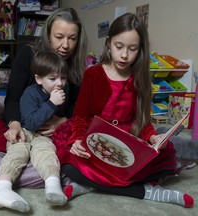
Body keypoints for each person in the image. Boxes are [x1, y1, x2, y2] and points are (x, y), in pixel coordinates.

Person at [52, 13, 194, 208]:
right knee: (69, 164)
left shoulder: (139, 77)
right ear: (109, 43)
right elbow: (81, 115)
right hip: (97, 140)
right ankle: (145, 192)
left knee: (167, 157)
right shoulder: (93, 74)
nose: (125, 55)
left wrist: (152, 137)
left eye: (132, 49)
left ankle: (88, 186)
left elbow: (141, 120)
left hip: (128, 143)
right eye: (119, 47)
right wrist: (77, 138)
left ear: (140, 50)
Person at [0, 50, 69, 212]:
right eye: (53, 79)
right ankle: (2, 189)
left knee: (47, 152)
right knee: (17, 152)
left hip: (44, 135)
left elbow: (63, 115)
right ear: (39, 79)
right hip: (25, 130)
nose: (59, 83)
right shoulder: (30, 93)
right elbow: (32, 123)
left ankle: (53, 186)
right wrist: (52, 103)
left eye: (63, 78)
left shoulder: (61, 92)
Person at [4, 7, 88, 144]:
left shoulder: (76, 63)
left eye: (72, 38)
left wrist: (63, 120)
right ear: (48, 35)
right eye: (59, 37)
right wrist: (14, 124)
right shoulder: (27, 54)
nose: (66, 45)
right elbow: (13, 98)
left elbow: (76, 105)